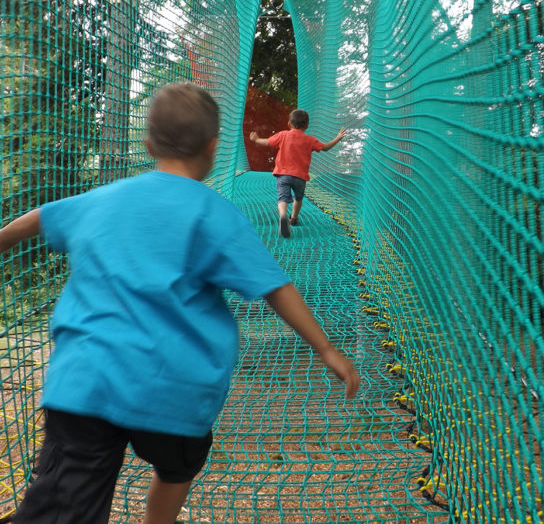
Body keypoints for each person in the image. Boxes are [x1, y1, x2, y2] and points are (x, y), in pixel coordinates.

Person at [0, 83, 360, 524]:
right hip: (175, 392)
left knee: (63, 504)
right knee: (177, 466)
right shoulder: (217, 213)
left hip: (85, 383)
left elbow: (42, 217)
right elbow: (274, 286)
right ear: (212, 149)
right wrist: (325, 348)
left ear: (149, 143)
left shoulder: (104, 197)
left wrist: (1, 240)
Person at [249, 109, 345, 238]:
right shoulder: (310, 140)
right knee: (298, 199)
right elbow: (325, 147)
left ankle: (283, 215)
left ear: (289, 124)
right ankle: (293, 218)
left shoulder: (283, 135)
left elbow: (267, 142)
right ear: (307, 126)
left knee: (282, 198)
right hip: (300, 177)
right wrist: (338, 137)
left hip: (283, 175)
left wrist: (256, 139)